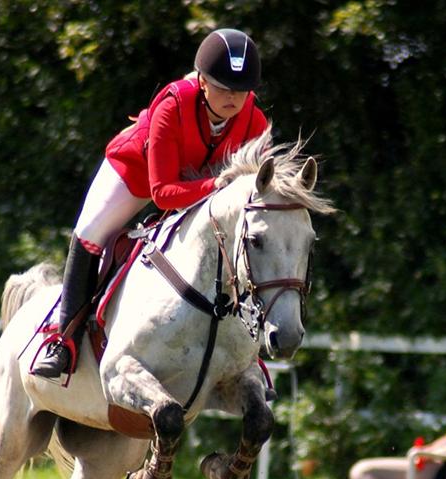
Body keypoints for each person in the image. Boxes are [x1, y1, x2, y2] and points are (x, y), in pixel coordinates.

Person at [32, 28, 269, 379]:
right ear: (202, 81)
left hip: (203, 188)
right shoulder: (174, 104)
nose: (233, 97)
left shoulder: (254, 121)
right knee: (90, 231)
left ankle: (245, 350)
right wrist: (216, 186)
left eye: (241, 89)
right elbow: (162, 192)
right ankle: (63, 339)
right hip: (138, 173)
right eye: (223, 87)